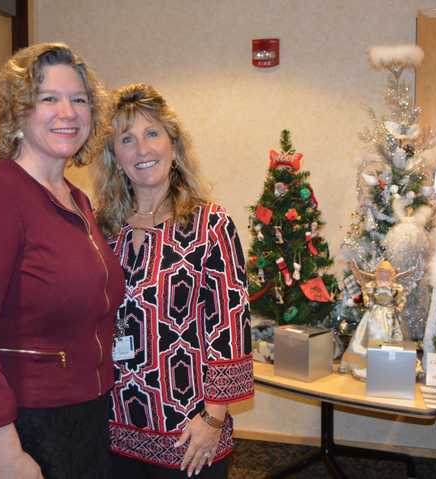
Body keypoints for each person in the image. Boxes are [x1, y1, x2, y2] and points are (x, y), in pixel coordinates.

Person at [0, 43, 125, 479]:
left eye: (79, 99)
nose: (67, 112)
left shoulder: (77, 201)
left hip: (79, 420)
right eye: (47, 98)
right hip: (11, 429)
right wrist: (6, 458)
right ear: (17, 111)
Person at [94, 83, 253, 478]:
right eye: (126, 139)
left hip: (187, 432)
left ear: (173, 144)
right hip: (111, 429)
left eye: (152, 134)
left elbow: (231, 328)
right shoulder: (101, 228)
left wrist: (214, 421)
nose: (142, 149)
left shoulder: (210, 224)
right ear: (115, 156)